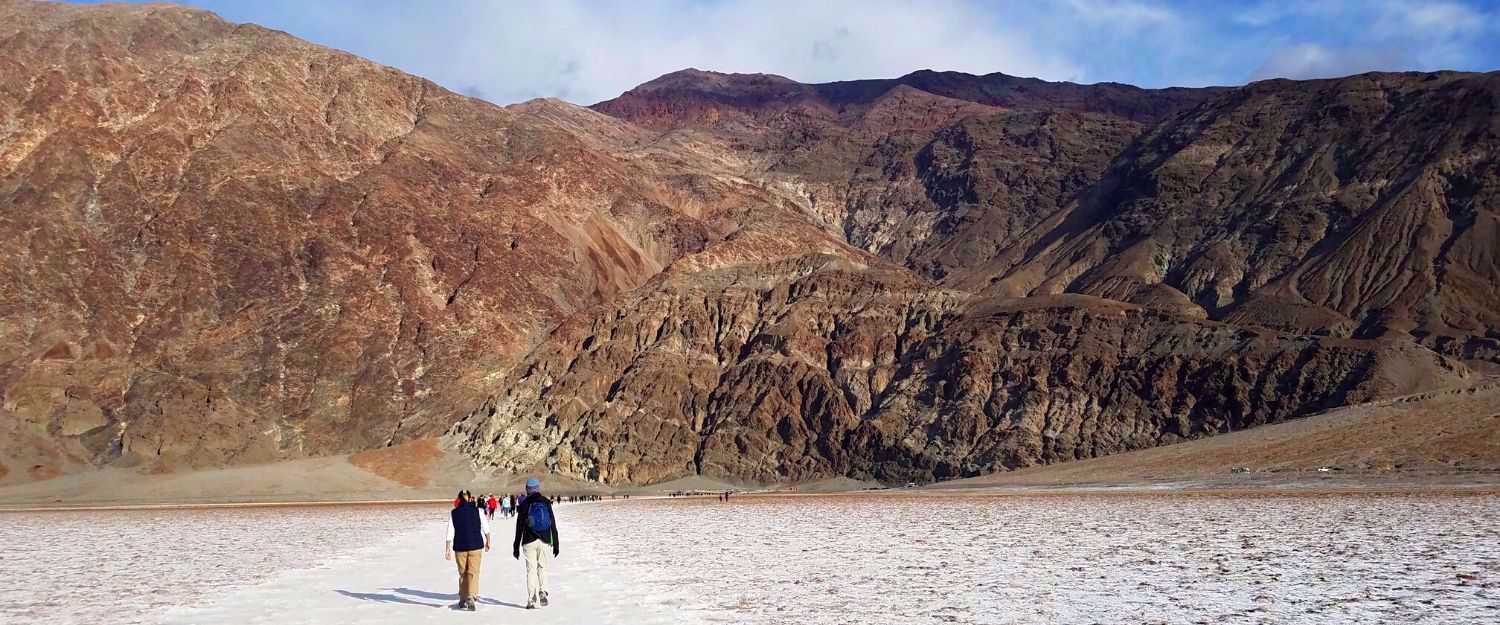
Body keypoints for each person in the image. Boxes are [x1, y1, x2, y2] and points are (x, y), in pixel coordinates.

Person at [513, 478, 559, 609]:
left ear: (527, 489)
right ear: (538, 488)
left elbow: (519, 527)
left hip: (528, 541)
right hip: (544, 540)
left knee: (530, 570)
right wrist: (556, 543)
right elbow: (553, 524)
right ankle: (543, 590)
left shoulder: (524, 504)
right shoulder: (545, 501)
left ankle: (531, 599)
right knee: (542, 567)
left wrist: (516, 546)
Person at [444, 490, 491, 611]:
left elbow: (450, 531)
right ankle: (471, 595)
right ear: (470, 499)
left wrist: (447, 548)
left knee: (462, 573)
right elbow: (485, 527)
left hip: (460, 547)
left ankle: (463, 598)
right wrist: (488, 540)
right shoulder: (478, 511)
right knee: (473, 572)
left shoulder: (454, 513)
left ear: (458, 499)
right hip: (475, 545)